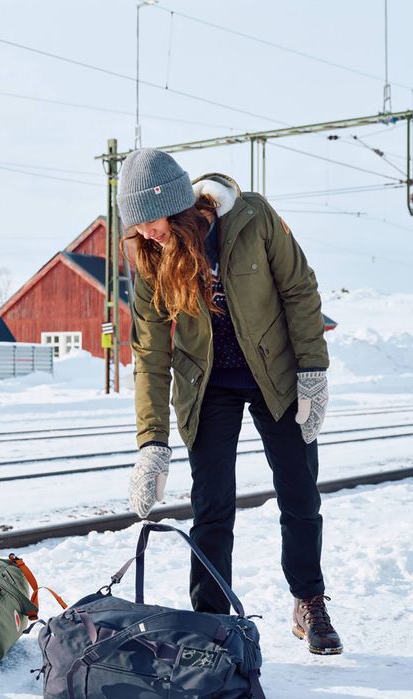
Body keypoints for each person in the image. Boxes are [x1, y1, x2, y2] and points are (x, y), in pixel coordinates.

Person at [120, 148, 342, 656]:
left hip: (278, 376)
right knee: (212, 507)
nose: (146, 233)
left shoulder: (252, 218)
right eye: (136, 226)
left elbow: (300, 291)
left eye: (151, 221)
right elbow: (150, 352)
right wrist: (151, 442)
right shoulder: (150, 257)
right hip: (208, 386)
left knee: (299, 494)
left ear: (177, 206)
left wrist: (312, 371)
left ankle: (309, 601)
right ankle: (210, 623)